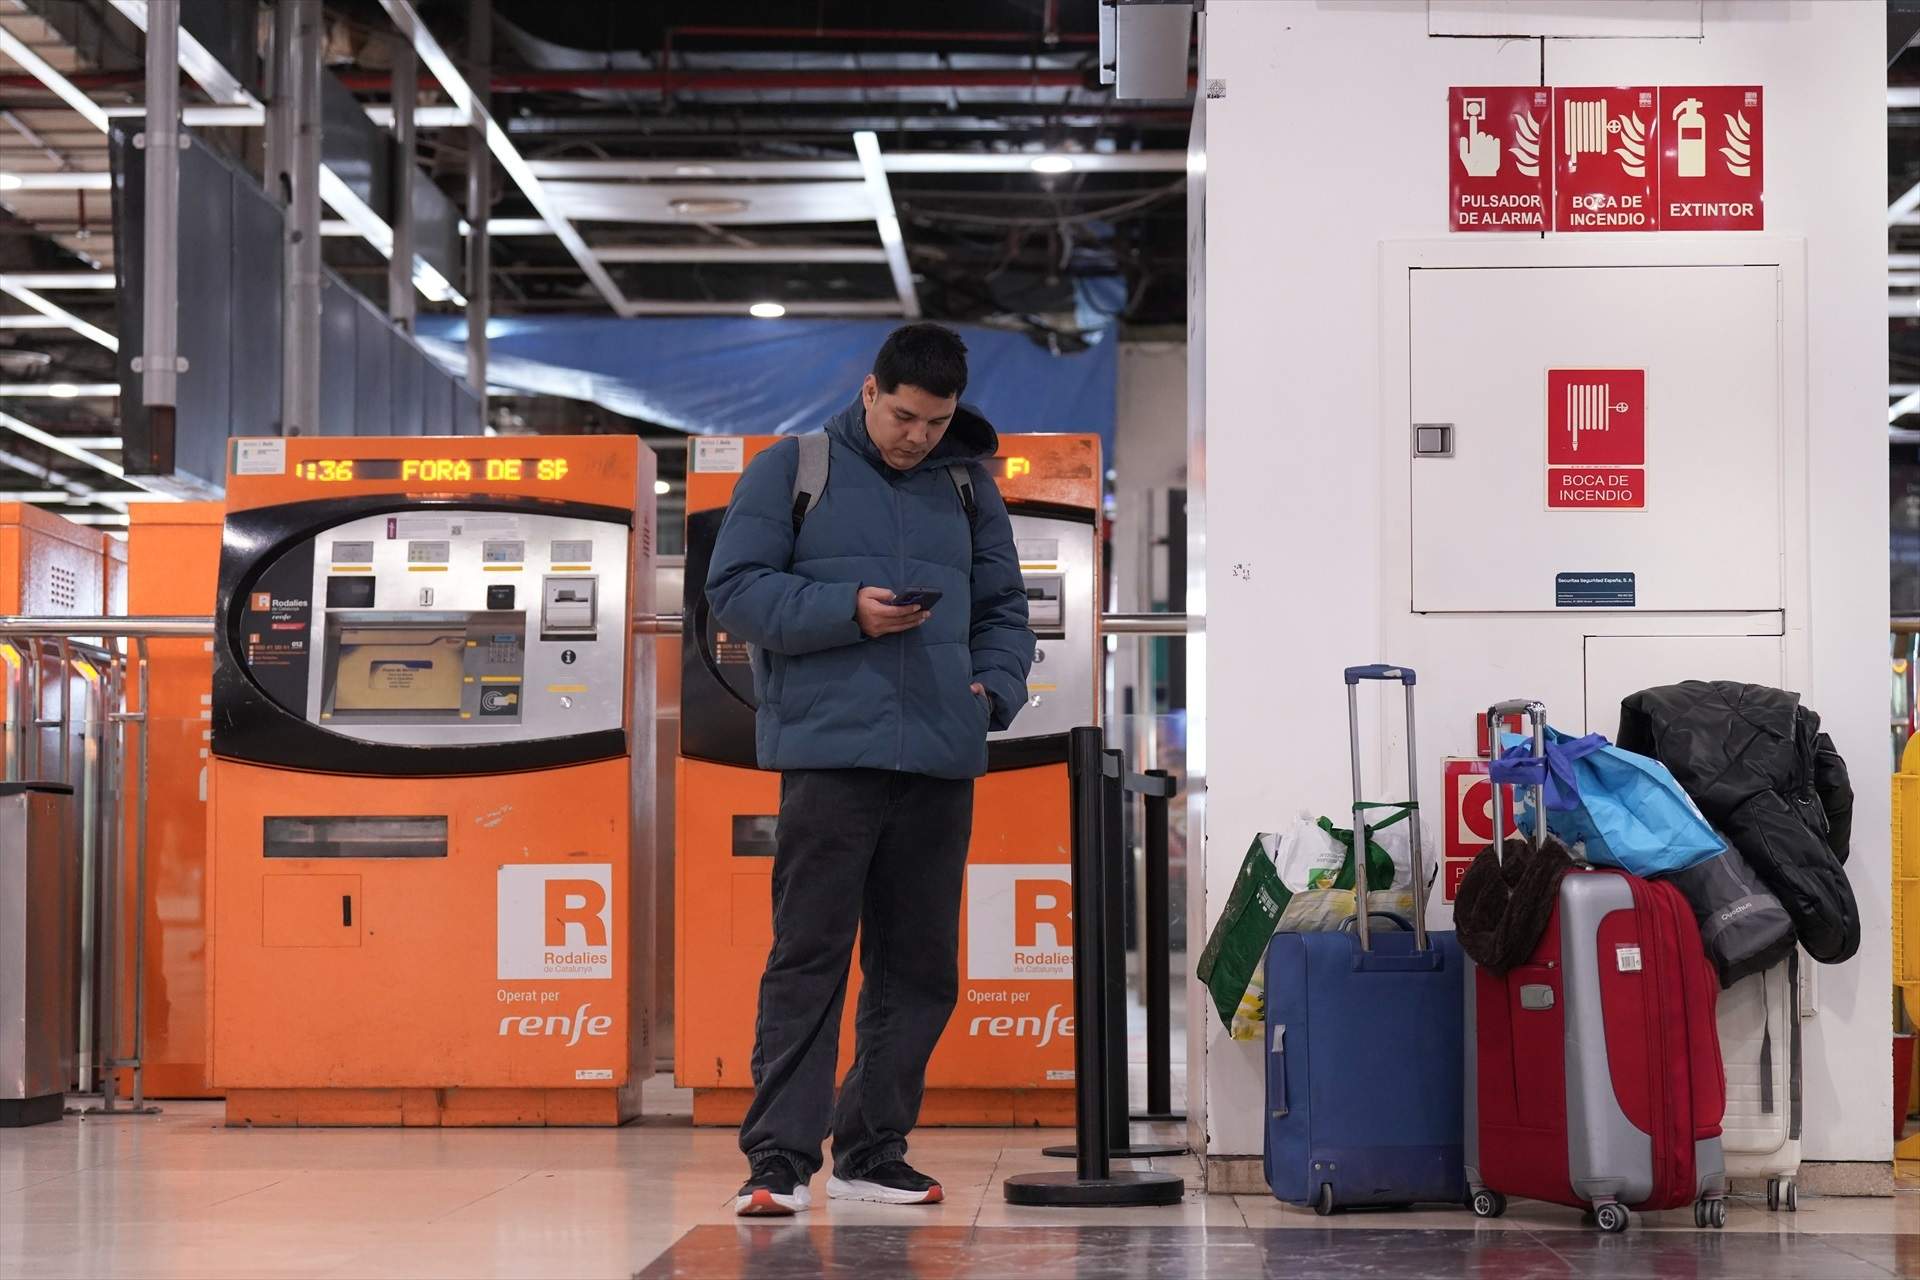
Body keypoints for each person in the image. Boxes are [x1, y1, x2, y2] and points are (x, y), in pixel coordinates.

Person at [705, 322, 1035, 1216]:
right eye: (903, 415)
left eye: (936, 420)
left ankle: (872, 1151)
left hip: (938, 753)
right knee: (808, 957)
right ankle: (777, 1160)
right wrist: (847, 610)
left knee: (918, 968)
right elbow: (734, 591)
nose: (917, 436)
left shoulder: (968, 488)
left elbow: (1008, 607)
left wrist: (991, 694)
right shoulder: (793, 469)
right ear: (868, 391)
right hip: (828, 757)